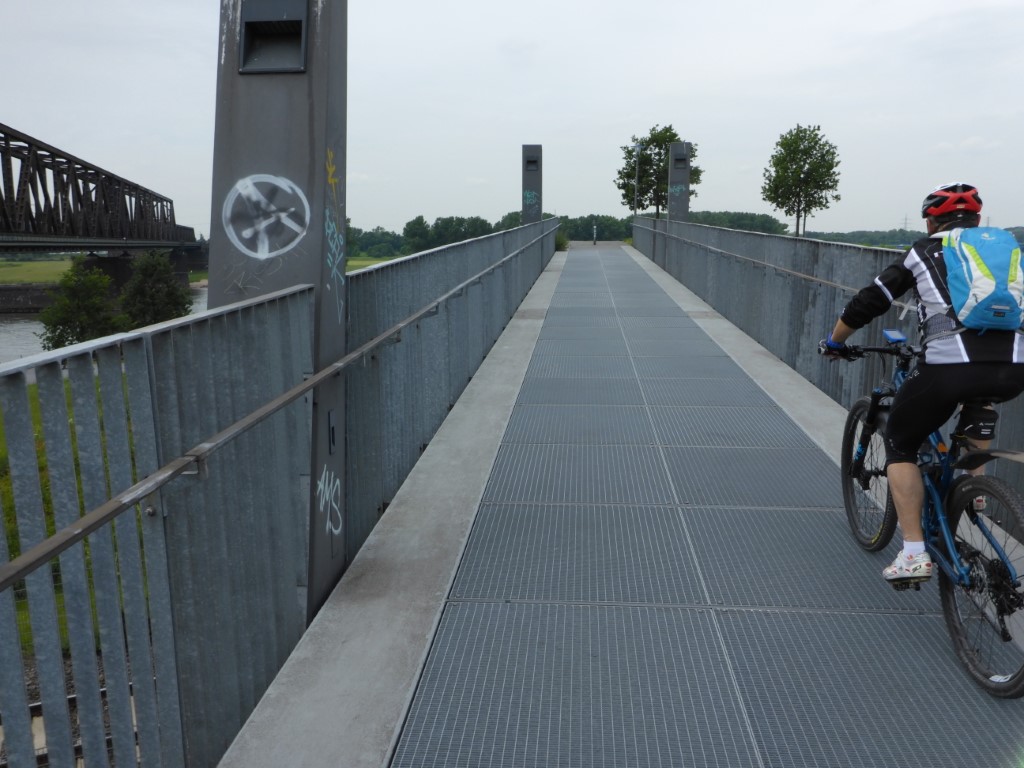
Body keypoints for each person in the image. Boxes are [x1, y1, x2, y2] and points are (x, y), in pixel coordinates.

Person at [819, 182, 1024, 584]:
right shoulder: (1007, 253)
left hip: (950, 366)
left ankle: (913, 553)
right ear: (977, 221)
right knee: (981, 399)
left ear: (931, 222)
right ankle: (974, 490)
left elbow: (870, 300)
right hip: (1014, 366)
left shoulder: (924, 251)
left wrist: (835, 341)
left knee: (900, 441)